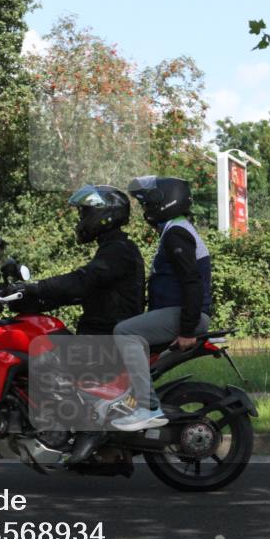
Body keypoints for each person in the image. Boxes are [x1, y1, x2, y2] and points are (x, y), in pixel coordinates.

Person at [5, 185, 145, 463]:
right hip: (101, 333)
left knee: (44, 359)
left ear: (104, 215)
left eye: (86, 212)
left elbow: (82, 280)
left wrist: (37, 287)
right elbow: (83, 291)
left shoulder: (118, 251)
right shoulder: (112, 249)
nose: (81, 219)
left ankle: (86, 430)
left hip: (108, 338)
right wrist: (33, 301)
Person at [110, 176, 213, 431]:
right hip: (179, 313)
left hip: (186, 315)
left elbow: (192, 281)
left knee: (124, 332)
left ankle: (147, 407)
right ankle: (130, 404)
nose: (145, 209)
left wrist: (188, 329)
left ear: (164, 202)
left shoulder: (176, 233)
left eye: (147, 203)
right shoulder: (176, 229)